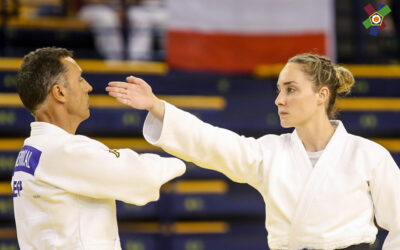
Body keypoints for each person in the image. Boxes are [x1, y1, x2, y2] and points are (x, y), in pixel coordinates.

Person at [106, 53, 400, 250]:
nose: (279, 100)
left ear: (322, 95)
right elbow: (211, 142)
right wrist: (157, 106)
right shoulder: (269, 152)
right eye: (278, 90)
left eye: (291, 89)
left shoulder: (367, 155)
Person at [12, 47, 185, 249]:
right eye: (80, 79)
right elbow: (142, 178)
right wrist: (183, 158)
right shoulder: (63, 150)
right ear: (59, 92)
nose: (89, 87)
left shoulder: (33, 150)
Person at [77, 0, 166, 61]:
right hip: (94, 8)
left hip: (138, 8)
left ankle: (138, 59)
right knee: (107, 19)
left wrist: (124, 9)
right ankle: (114, 60)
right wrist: (115, 9)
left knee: (140, 16)